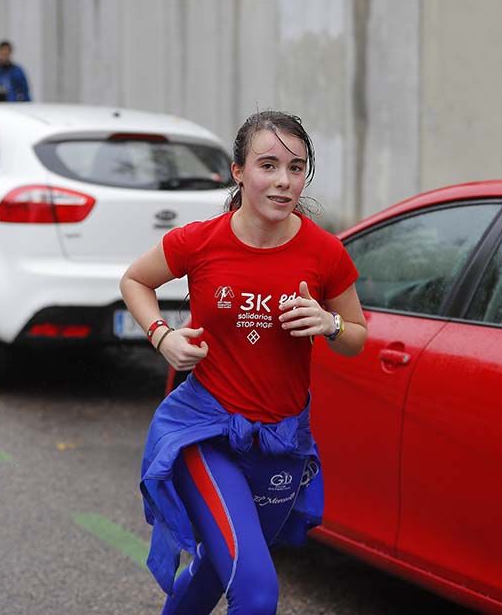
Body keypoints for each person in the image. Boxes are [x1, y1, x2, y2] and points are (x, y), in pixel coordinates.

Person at [121, 110, 367, 614]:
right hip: (206, 432)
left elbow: (357, 337)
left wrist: (329, 325)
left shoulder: (324, 253)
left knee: (217, 567)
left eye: (296, 168)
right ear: (238, 171)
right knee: (256, 593)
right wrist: (161, 335)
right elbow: (135, 281)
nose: (284, 181)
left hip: (280, 442)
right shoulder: (201, 240)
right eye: (269, 165)